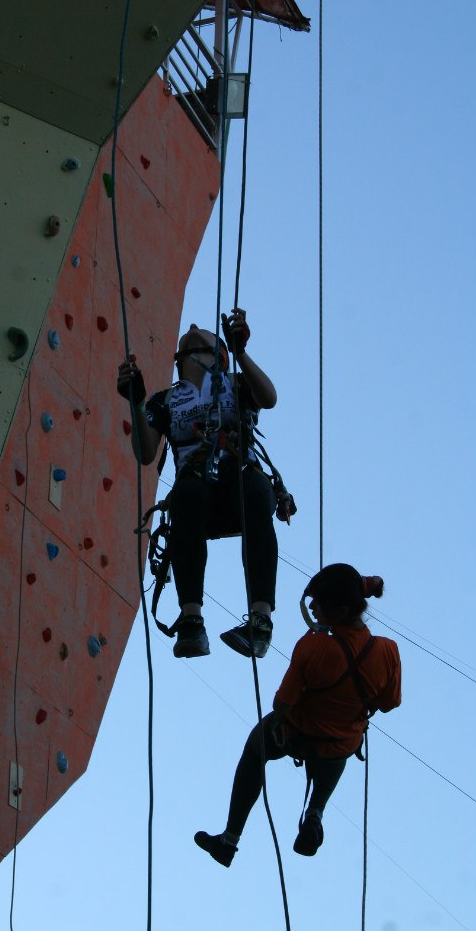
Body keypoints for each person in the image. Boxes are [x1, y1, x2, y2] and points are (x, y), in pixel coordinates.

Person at [194, 563, 402, 866]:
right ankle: (315, 812)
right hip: (340, 743)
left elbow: (283, 704)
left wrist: (317, 644)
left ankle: (229, 840)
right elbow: (388, 703)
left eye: (318, 604)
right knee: (338, 752)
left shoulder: (313, 647)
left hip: (295, 734)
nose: (313, 608)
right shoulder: (387, 651)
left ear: (340, 612)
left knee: (255, 748)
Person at [116, 308, 279, 660]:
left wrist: (241, 354)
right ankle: (192, 619)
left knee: (254, 490)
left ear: (217, 356)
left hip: (238, 478)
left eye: (200, 343)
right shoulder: (168, 399)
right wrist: (137, 403)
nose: (191, 330)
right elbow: (145, 453)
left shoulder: (234, 383)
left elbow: (269, 398)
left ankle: (261, 618)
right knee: (186, 497)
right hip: (198, 489)